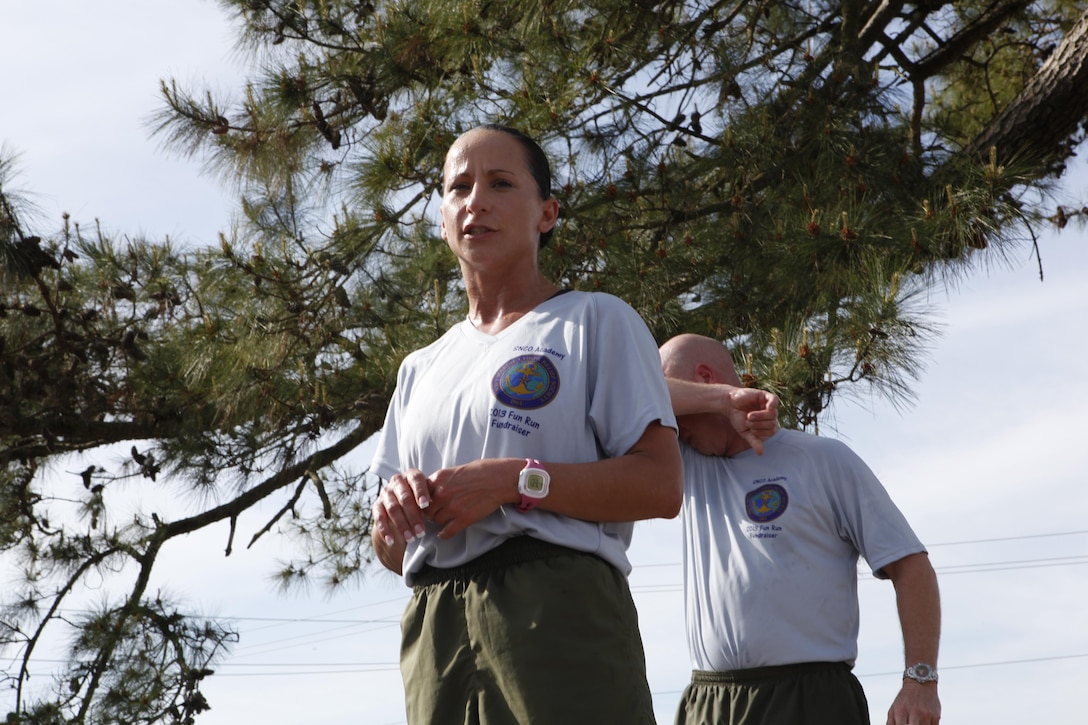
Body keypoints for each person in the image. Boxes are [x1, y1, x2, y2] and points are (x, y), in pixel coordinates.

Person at [369, 124, 763, 724]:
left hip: (557, 610)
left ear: (547, 212)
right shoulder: (420, 369)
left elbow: (659, 486)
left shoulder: (595, 321)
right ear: (443, 218)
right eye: (459, 188)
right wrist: (392, 516)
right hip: (435, 629)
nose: (477, 200)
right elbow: (392, 551)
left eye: (501, 183)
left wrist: (514, 482)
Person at [659, 333, 942, 725]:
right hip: (711, 703)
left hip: (811, 698)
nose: (664, 418)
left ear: (704, 376)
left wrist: (920, 682)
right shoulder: (684, 460)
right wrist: (724, 401)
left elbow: (911, 566)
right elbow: (629, 396)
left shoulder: (823, 460)